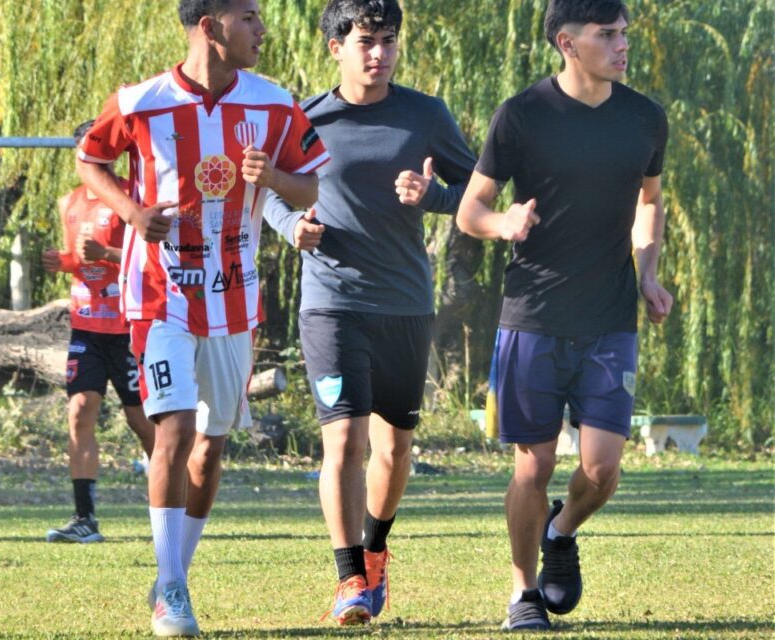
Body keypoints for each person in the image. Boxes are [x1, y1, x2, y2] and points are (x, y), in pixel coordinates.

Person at [76, 1, 328, 635]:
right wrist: (134, 213)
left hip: (235, 297)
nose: (261, 29)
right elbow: (90, 160)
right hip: (159, 294)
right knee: (173, 433)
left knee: (210, 451)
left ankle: (172, 578)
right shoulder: (141, 100)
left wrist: (272, 177)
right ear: (210, 25)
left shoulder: (273, 102)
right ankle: (172, 592)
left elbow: (309, 188)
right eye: (248, 16)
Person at [456, 0, 671, 630]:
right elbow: (471, 207)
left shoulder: (644, 118)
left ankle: (562, 528)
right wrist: (504, 223)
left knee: (602, 470)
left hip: (609, 316)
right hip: (534, 315)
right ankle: (523, 593)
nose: (622, 44)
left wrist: (649, 271)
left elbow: (650, 199)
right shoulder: (521, 116)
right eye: (608, 34)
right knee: (535, 463)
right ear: (567, 43)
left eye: (625, 32)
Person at [263, 0, 476, 625]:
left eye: (388, 40)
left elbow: (480, 194)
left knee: (394, 450)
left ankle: (376, 551)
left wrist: (434, 195)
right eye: (364, 41)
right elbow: (269, 190)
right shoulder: (305, 117)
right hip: (331, 303)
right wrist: (289, 225)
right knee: (346, 440)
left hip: (406, 304)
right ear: (335, 47)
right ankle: (349, 576)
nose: (378, 53)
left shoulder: (425, 115)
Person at [41, 121, 156, 545]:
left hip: (126, 327)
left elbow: (151, 257)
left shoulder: (131, 198)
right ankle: (84, 518)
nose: (88, 160)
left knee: (141, 421)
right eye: (82, 152)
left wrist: (107, 253)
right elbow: (81, 261)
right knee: (79, 412)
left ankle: (171, 504)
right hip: (85, 326)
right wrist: (66, 262)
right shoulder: (69, 202)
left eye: (95, 151)